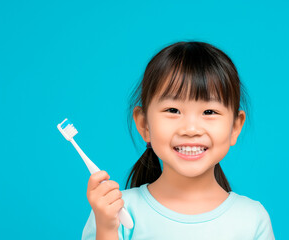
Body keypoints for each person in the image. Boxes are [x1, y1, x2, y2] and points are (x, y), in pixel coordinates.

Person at [82, 41, 275, 240]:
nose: (191, 129)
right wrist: (106, 228)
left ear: (235, 127)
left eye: (209, 111)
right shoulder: (116, 212)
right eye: (173, 110)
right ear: (144, 125)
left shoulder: (252, 219)